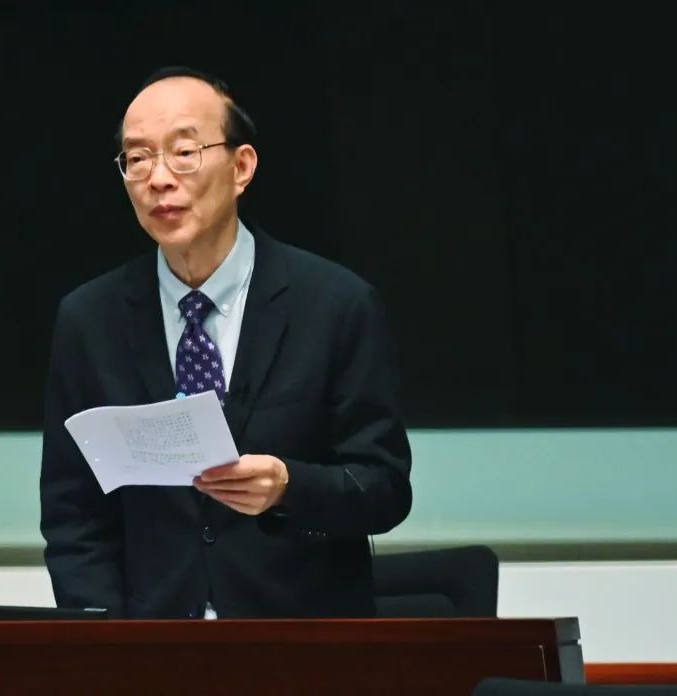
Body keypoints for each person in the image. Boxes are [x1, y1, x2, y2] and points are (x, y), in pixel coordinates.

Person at [39, 66, 412, 619]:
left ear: (241, 167)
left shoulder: (335, 305)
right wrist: (110, 643)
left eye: (183, 152)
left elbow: (385, 488)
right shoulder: (89, 320)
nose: (158, 178)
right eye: (137, 158)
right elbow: (73, 513)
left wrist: (289, 486)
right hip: (152, 643)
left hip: (300, 643)